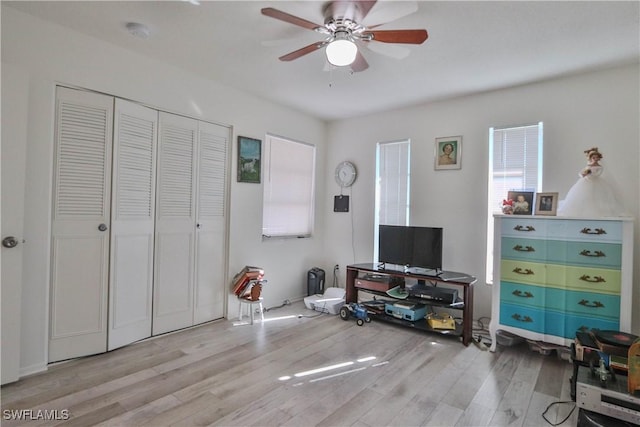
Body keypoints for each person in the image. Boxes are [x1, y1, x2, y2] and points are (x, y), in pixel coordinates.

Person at [557, 147, 626, 217]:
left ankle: (597, 212)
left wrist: (590, 173)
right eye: (593, 157)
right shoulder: (588, 165)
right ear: (590, 158)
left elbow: (597, 174)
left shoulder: (600, 167)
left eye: (596, 158)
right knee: (583, 195)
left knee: (597, 196)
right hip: (585, 182)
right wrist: (583, 174)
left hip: (595, 182)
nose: (595, 159)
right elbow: (581, 173)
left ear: (599, 158)